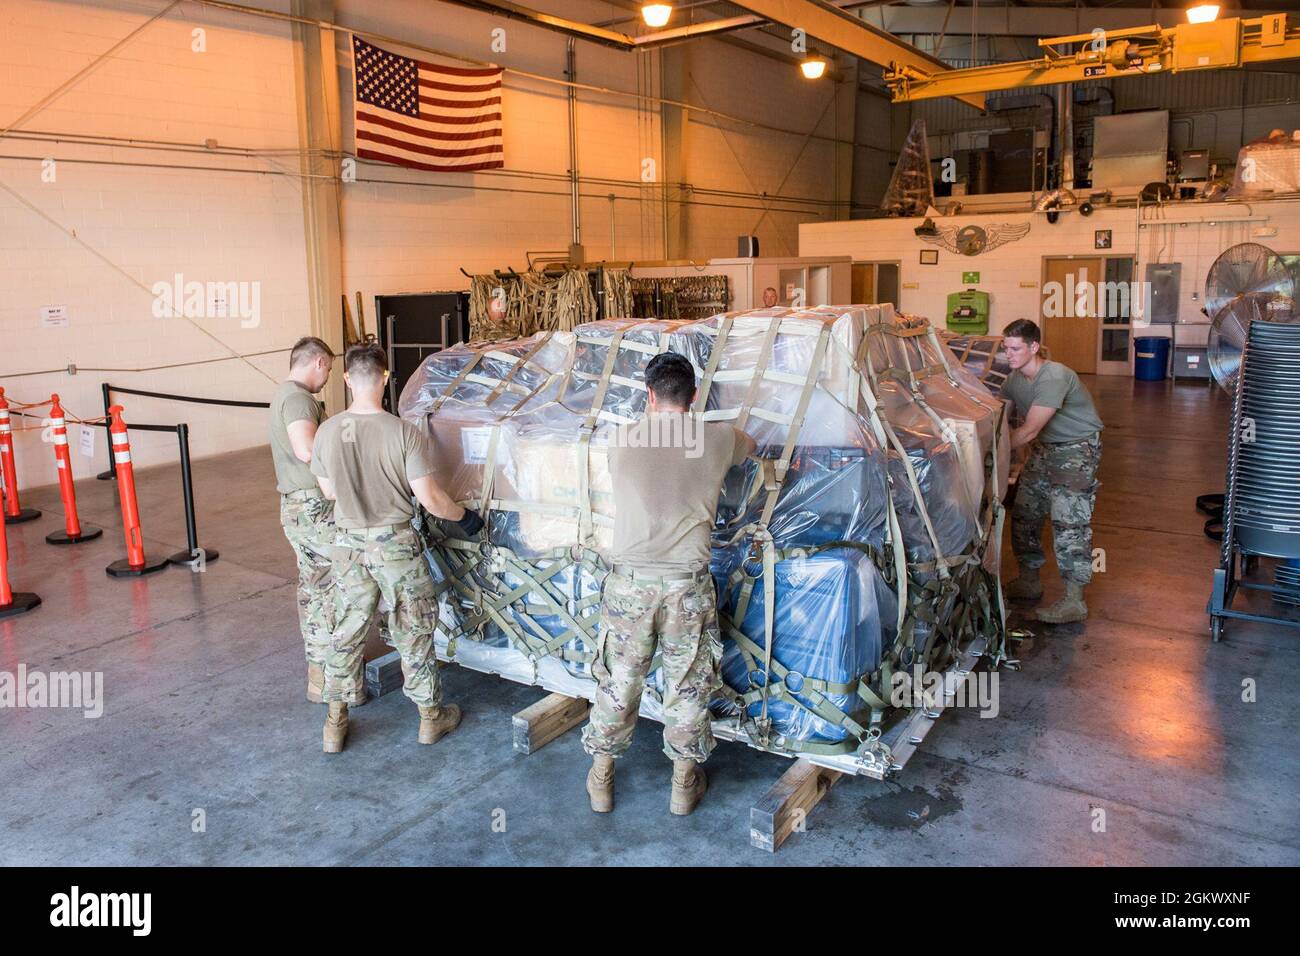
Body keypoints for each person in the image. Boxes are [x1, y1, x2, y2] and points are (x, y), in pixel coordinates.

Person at [581, 351, 756, 815]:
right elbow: (751, 446)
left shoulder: (621, 439)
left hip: (629, 588)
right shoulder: (716, 440)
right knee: (687, 686)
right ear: (694, 396)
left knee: (620, 682)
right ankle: (682, 785)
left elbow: (647, 437)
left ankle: (601, 779)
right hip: (686, 587)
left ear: (649, 395)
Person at [310, 342, 483, 753]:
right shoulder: (402, 432)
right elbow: (431, 500)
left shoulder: (329, 431)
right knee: (414, 628)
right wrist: (464, 518)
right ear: (386, 378)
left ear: (348, 379)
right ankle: (429, 718)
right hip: (395, 547)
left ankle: (335, 723)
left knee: (348, 630)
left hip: (349, 545)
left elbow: (329, 491)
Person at [1001, 318, 1104, 623]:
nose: (1009, 354)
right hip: (1046, 451)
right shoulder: (1014, 379)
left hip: (1076, 449)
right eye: (1006, 348)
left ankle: (1075, 600)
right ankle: (1029, 581)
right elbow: (996, 413)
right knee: (1025, 513)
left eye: (1015, 348)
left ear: (1034, 347)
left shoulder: (1054, 376)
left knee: (1069, 521)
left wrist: (988, 450)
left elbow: (1029, 431)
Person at [270, 336, 351, 705]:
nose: (327, 377)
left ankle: (320, 674)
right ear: (318, 362)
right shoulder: (299, 398)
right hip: (314, 508)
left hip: (297, 507)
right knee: (334, 587)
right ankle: (337, 680)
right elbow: (306, 448)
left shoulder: (282, 394)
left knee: (315, 588)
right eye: (329, 370)